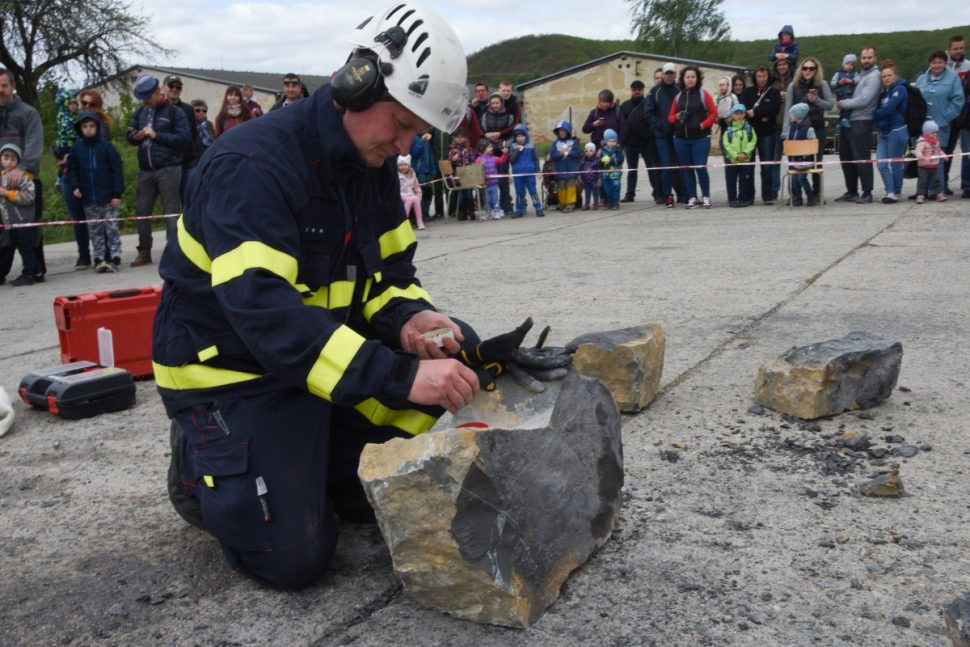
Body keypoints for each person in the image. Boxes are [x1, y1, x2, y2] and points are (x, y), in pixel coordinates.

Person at [154, 3, 495, 591]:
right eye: (403, 122)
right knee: (294, 559)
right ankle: (200, 461)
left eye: (417, 130)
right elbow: (267, 314)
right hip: (233, 370)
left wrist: (413, 318)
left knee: (453, 361)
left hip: (313, 355)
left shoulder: (373, 165)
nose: (407, 142)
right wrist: (397, 375)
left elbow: (388, 276)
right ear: (357, 86)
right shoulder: (252, 166)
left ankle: (316, 462)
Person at [126, 74, 192, 267]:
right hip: (145, 170)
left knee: (170, 211)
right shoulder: (139, 112)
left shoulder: (174, 112)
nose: (145, 100)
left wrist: (156, 135)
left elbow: (184, 138)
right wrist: (135, 137)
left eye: (147, 96)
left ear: (157, 92)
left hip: (168, 168)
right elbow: (128, 136)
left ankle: (173, 252)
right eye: (142, 97)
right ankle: (144, 251)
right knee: (142, 212)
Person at [0, 68, 45, 285]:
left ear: (13, 86)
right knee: (4, 231)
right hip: (1, 180)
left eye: (4, 85)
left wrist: (21, 169)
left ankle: (35, 270)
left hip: (25, 178)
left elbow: (34, 144)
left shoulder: (28, 113)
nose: (0, 90)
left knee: (28, 230)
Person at [65, 112, 125, 272]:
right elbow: (72, 170)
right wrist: (75, 186)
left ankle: (115, 257)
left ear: (97, 127)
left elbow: (116, 170)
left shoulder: (107, 147)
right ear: (80, 129)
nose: (89, 130)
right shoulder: (77, 149)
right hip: (89, 198)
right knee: (95, 229)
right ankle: (99, 258)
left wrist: (117, 192)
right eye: (85, 127)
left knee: (111, 227)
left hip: (108, 197)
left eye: (92, 126)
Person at [912, 50, 965, 199]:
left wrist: (943, 118)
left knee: (937, 159)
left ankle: (937, 191)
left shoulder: (953, 78)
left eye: (940, 62)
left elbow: (958, 102)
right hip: (922, 128)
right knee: (923, 158)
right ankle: (923, 190)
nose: (937, 65)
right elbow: (915, 100)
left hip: (941, 127)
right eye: (934, 62)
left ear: (945, 63)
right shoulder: (921, 79)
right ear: (930, 63)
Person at [835, 47, 881, 204]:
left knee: (861, 158)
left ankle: (867, 192)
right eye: (864, 58)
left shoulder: (874, 76)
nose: (866, 60)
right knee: (846, 157)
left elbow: (865, 99)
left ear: (875, 58)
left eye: (869, 57)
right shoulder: (859, 75)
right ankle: (852, 191)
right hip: (848, 120)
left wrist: (843, 104)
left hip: (862, 121)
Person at [668, 65, 717, 209]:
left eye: (693, 77)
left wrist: (704, 125)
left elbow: (713, 113)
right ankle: (692, 197)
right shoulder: (678, 97)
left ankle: (706, 196)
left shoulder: (704, 94)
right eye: (687, 77)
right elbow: (670, 118)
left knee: (701, 167)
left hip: (701, 137)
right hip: (681, 139)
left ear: (697, 78)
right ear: (683, 79)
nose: (690, 80)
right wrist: (676, 117)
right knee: (687, 169)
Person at [784, 57, 834, 197]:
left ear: (816, 70)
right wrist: (785, 131)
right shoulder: (793, 86)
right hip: (797, 129)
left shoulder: (822, 84)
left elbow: (830, 105)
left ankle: (817, 193)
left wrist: (816, 100)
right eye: (805, 68)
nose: (808, 71)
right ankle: (794, 194)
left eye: (811, 68)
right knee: (794, 162)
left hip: (816, 127)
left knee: (816, 162)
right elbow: (788, 109)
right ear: (801, 69)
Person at [644, 62, 686, 208]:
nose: (669, 75)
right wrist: (661, 125)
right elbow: (648, 113)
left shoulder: (680, 89)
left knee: (680, 165)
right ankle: (668, 195)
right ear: (663, 74)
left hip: (678, 134)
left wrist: (679, 124)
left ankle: (684, 194)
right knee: (665, 166)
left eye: (671, 73)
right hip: (661, 135)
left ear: (675, 74)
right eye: (666, 73)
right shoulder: (655, 91)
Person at [0, 143, 38, 285]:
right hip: (10, 223)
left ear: (18, 161)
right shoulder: (1, 177)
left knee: (25, 249)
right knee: (23, 248)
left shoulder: (24, 178)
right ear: (1, 159)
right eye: (6, 157)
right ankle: (37, 272)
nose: (9, 161)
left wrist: (7, 193)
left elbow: (29, 196)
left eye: (13, 159)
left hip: (22, 221)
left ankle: (28, 274)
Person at [873, 60, 909, 203]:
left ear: (895, 76)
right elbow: (878, 112)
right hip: (884, 131)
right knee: (881, 163)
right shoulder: (884, 94)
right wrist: (881, 113)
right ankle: (890, 190)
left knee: (895, 163)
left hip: (897, 129)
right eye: (884, 76)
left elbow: (888, 109)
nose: (887, 78)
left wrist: (881, 113)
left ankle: (896, 191)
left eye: (889, 75)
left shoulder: (900, 89)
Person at [163, 75, 200, 211]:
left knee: (189, 202)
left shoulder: (188, 110)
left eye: (178, 87)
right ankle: (173, 232)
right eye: (171, 86)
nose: (175, 89)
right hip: (166, 164)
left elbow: (189, 136)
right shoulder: (159, 110)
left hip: (187, 163)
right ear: (164, 88)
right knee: (171, 207)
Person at [486, 84, 520, 216]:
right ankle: (491, 206)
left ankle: (506, 204)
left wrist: (500, 138)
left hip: (503, 150)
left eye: (497, 103)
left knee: (503, 179)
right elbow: (482, 129)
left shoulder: (510, 113)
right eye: (492, 103)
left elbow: (512, 128)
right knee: (490, 181)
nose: (495, 105)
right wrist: (488, 136)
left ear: (501, 102)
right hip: (489, 151)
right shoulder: (486, 115)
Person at [620, 80, 656, 203]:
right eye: (634, 89)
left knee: (651, 169)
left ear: (643, 90)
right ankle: (630, 194)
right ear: (631, 90)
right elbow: (621, 125)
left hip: (646, 143)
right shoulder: (624, 106)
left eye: (639, 89)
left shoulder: (649, 104)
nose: (637, 92)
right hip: (630, 143)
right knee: (632, 170)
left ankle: (657, 193)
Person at [944, 35, 969, 193]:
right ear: (949, 49)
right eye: (956, 48)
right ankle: (942, 183)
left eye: (962, 48)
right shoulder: (941, 65)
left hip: (966, 114)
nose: (959, 51)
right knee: (945, 151)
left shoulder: (968, 66)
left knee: (967, 151)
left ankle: (967, 185)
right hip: (948, 114)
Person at [769, 58, 795, 201]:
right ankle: (774, 191)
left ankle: (793, 192)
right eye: (779, 64)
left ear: (789, 66)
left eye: (784, 64)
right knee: (775, 162)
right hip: (775, 126)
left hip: (791, 127)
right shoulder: (772, 82)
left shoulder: (795, 80)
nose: (782, 66)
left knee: (792, 162)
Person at [721, 104, 757, 208]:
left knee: (744, 180)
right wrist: (735, 155)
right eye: (736, 113)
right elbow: (726, 144)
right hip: (732, 160)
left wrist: (745, 153)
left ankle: (743, 199)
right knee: (731, 180)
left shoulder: (749, 128)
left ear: (745, 114)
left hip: (745, 159)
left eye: (741, 113)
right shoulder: (728, 130)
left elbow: (753, 141)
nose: (739, 116)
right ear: (732, 115)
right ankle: (732, 199)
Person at [507, 124, 543, 217]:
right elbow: (512, 160)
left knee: (533, 191)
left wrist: (538, 171)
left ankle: (538, 208)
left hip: (530, 173)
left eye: (522, 136)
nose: (520, 138)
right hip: (518, 173)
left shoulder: (531, 145)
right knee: (519, 192)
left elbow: (536, 159)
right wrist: (517, 151)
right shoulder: (513, 146)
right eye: (518, 136)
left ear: (526, 135)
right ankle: (519, 209)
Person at [785, 103, 817, 206]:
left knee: (801, 178)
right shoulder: (791, 128)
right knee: (795, 179)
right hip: (793, 159)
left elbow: (813, 144)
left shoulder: (809, 129)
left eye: (792, 114)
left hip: (804, 160)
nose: (790, 116)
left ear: (798, 115)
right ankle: (798, 198)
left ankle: (810, 196)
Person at [549, 120, 580, 212]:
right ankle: (562, 203)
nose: (562, 133)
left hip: (571, 168)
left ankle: (570, 204)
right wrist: (560, 153)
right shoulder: (555, 143)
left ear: (568, 132)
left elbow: (577, 154)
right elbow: (553, 155)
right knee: (561, 187)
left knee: (570, 187)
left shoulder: (573, 142)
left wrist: (570, 152)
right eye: (560, 131)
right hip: (560, 169)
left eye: (564, 130)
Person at [447, 127, 477, 220]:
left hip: (468, 176)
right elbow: (449, 164)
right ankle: (462, 211)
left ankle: (471, 210)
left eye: (461, 137)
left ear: (465, 138)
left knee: (469, 193)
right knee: (462, 194)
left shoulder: (469, 149)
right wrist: (453, 160)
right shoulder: (452, 151)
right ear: (454, 138)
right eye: (457, 137)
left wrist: (471, 165)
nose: (459, 139)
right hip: (458, 177)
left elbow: (473, 161)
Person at [913, 120, 946, 203]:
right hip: (923, 167)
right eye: (933, 133)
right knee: (922, 182)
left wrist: (944, 155)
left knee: (937, 181)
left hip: (934, 166)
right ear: (926, 133)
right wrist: (920, 156)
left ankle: (939, 194)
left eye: (936, 133)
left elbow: (939, 151)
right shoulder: (922, 142)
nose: (935, 135)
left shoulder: (936, 142)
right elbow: (918, 150)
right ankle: (920, 195)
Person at [475, 139, 508, 220]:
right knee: (486, 200)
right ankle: (487, 212)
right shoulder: (478, 160)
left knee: (495, 198)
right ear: (483, 149)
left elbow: (502, 160)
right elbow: (476, 170)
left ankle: (497, 212)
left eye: (491, 146)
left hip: (494, 183)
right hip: (484, 184)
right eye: (489, 147)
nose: (492, 148)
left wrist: (505, 154)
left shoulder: (494, 158)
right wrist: (480, 166)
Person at [409, 131, 436, 221]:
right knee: (421, 194)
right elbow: (414, 152)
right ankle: (420, 215)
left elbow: (430, 155)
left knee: (429, 194)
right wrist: (421, 140)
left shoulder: (427, 139)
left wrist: (433, 169)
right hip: (419, 171)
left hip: (428, 171)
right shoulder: (415, 138)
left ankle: (426, 213)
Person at [831, 54, 858, 133]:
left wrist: (851, 81)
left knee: (845, 109)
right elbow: (832, 83)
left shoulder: (855, 73)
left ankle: (839, 125)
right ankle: (844, 119)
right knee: (846, 108)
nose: (849, 66)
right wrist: (839, 83)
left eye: (851, 64)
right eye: (847, 64)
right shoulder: (838, 73)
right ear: (843, 64)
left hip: (849, 93)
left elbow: (858, 79)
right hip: (840, 94)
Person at [599, 129, 624, 210]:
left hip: (615, 175)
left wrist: (610, 160)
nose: (612, 143)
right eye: (610, 141)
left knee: (615, 190)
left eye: (614, 141)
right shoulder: (603, 151)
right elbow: (599, 163)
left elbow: (620, 160)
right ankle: (609, 202)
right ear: (606, 141)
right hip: (605, 175)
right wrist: (601, 161)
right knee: (607, 190)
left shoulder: (618, 150)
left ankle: (616, 203)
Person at [397, 155, 424, 230]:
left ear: (409, 165)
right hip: (401, 196)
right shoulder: (397, 176)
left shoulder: (412, 175)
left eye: (405, 165)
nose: (403, 167)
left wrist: (418, 199)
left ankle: (419, 221)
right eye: (401, 165)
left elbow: (417, 188)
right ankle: (404, 221)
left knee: (415, 198)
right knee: (409, 199)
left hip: (411, 195)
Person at [578, 142, 602, 210]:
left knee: (595, 193)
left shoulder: (597, 160)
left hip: (594, 180)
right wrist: (580, 176)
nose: (588, 152)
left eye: (591, 150)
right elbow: (580, 169)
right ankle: (587, 204)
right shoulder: (583, 161)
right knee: (587, 193)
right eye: (586, 151)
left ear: (594, 151)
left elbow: (599, 169)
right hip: (586, 181)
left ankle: (596, 203)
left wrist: (599, 178)